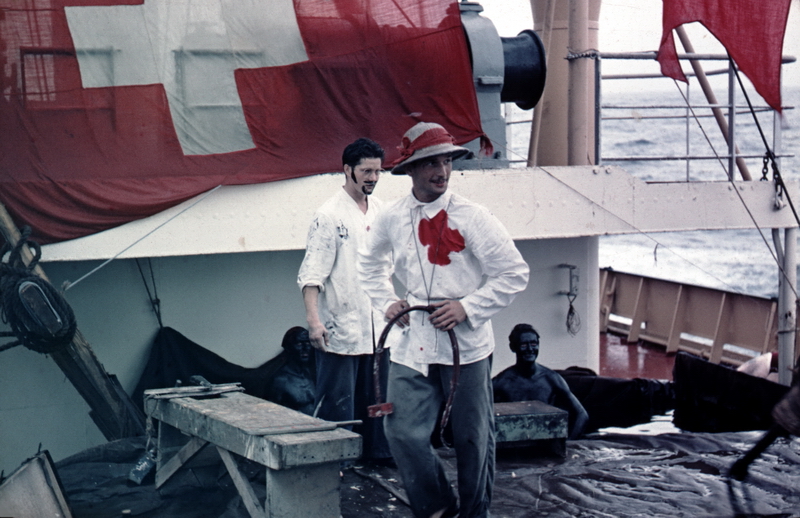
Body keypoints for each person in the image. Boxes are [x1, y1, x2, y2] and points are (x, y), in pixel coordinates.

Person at [358, 122, 529, 518]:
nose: (442, 171)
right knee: (401, 431)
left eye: (447, 162)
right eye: (431, 163)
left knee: (472, 439)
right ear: (411, 169)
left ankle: (474, 513)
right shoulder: (392, 217)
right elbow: (369, 264)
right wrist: (387, 301)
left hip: (465, 345)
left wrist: (467, 307)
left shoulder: (474, 216)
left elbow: (513, 273)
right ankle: (437, 508)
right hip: (412, 342)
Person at [297, 137, 392, 464]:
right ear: (348, 170)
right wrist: (314, 322)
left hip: (378, 327)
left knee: (378, 399)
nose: (373, 178)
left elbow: (388, 267)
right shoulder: (328, 215)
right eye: (366, 171)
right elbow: (312, 276)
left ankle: (378, 457)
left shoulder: (381, 212)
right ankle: (336, 464)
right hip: (341, 329)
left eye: (378, 172)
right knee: (339, 404)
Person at [492, 324, 589, 439]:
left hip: (547, 441)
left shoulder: (552, 379)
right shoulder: (501, 382)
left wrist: (568, 443)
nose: (530, 349)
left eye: (534, 344)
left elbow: (581, 414)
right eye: (524, 345)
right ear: (513, 347)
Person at [265, 327, 316, 415]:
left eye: (308, 343)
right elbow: (271, 413)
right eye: (299, 344)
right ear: (288, 348)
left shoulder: (315, 373)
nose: (305, 348)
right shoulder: (280, 380)